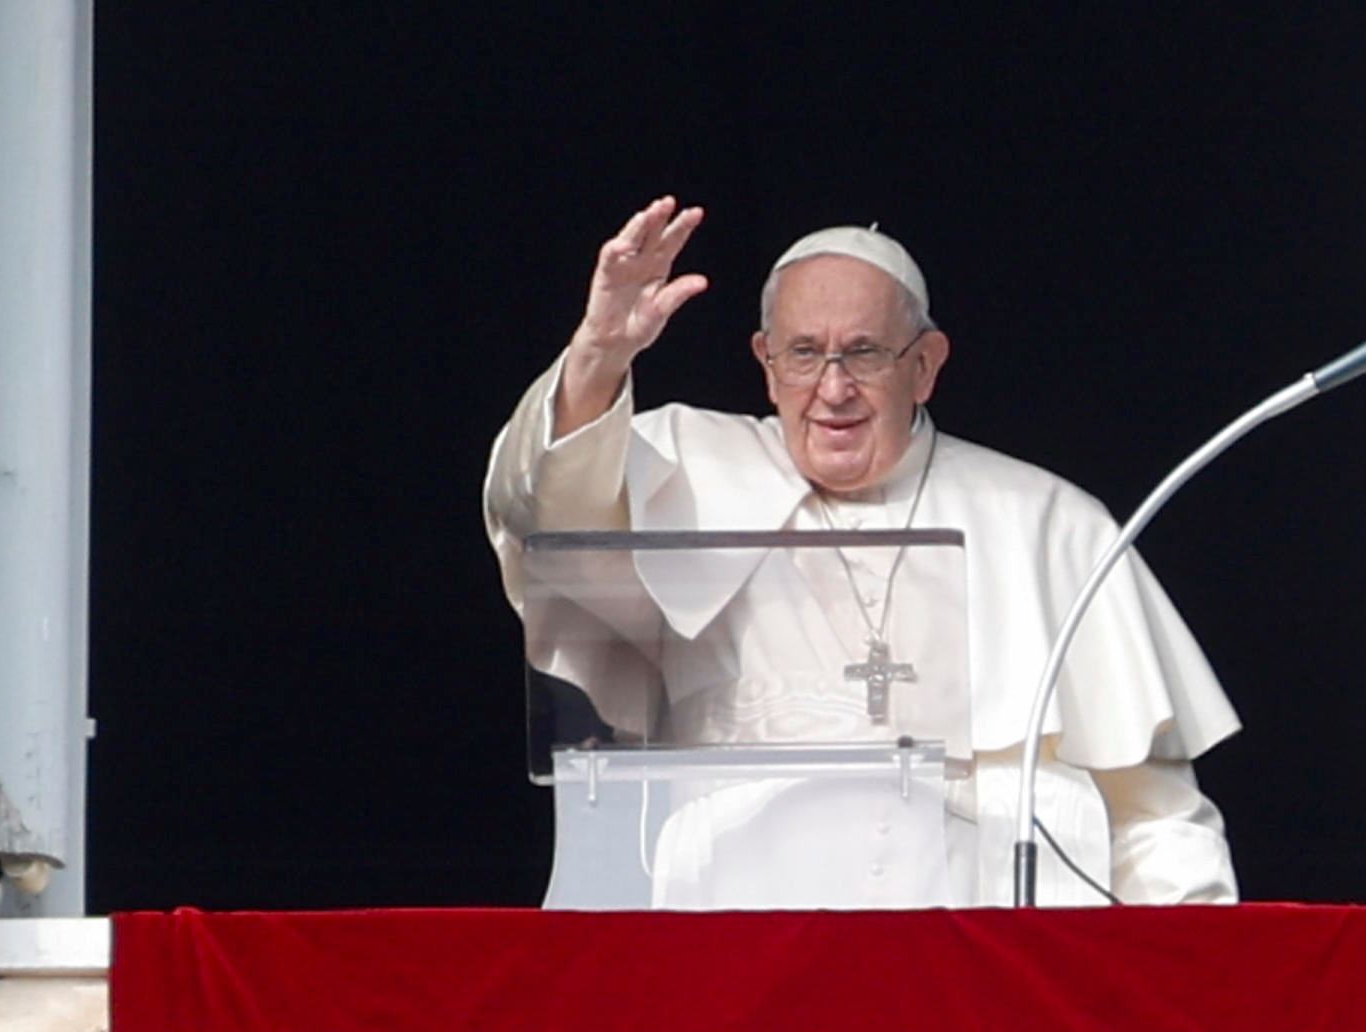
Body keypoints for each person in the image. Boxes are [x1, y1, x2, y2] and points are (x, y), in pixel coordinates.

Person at [485, 199, 1242, 905]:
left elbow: (1156, 819)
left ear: (926, 364)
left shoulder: (1049, 522)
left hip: (995, 965)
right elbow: (542, 518)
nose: (834, 387)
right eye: (805, 353)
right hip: (743, 943)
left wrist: (1197, 984)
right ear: (766, 362)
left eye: (865, 353)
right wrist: (598, 358)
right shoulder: (682, 468)